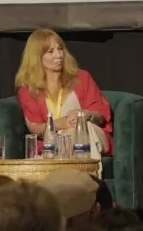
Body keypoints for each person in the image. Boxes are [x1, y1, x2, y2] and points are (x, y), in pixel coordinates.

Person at [15, 29, 113, 161]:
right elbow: (35, 128)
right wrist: (63, 123)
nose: (58, 55)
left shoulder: (82, 78)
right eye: (50, 52)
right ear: (37, 57)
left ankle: (62, 166)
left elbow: (101, 116)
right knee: (66, 136)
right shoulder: (28, 89)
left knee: (78, 131)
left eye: (60, 49)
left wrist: (86, 115)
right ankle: (80, 171)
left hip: (91, 134)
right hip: (53, 142)